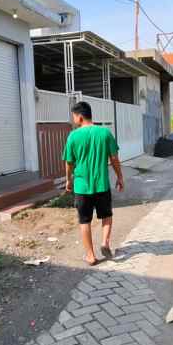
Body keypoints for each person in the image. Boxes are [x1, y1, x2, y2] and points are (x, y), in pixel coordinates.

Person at [62, 100, 124, 266]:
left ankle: (90, 256)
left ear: (80, 117)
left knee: (84, 221)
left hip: (82, 186)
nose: (73, 119)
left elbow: (69, 162)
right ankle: (105, 242)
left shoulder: (73, 136)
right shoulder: (105, 133)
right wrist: (120, 177)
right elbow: (114, 158)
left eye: (74, 116)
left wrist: (68, 180)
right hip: (102, 184)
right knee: (107, 216)